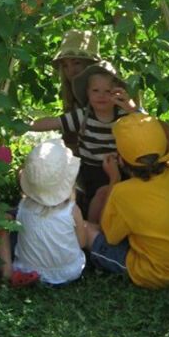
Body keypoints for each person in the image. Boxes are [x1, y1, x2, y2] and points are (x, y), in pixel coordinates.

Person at [85, 112, 169, 289]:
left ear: (121, 159)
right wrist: (135, 109)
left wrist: (114, 179)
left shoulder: (122, 192)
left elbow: (109, 237)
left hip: (158, 274)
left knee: (88, 230)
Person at [30, 60, 138, 219]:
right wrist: (26, 126)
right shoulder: (84, 115)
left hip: (118, 166)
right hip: (91, 168)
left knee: (124, 194)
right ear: (87, 93)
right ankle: (92, 227)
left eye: (107, 91)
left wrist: (132, 108)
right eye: (95, 90)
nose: (101, 95)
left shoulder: (123, 116)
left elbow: (145, 124)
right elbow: (55, 122)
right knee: (100, 194)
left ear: (117, 93)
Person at [0, 138, 87, 286]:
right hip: (69, 273)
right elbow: (82, 243)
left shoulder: (24, 206)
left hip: (26, 269)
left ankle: (7, 272)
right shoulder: (71, 210)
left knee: (0, 223)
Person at [51, 29, 101, 151]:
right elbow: (70, 143)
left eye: (77, 63)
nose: (71, 70)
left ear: (91, 64)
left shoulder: (108, 94)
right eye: (65, 65)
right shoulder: (72, 100)